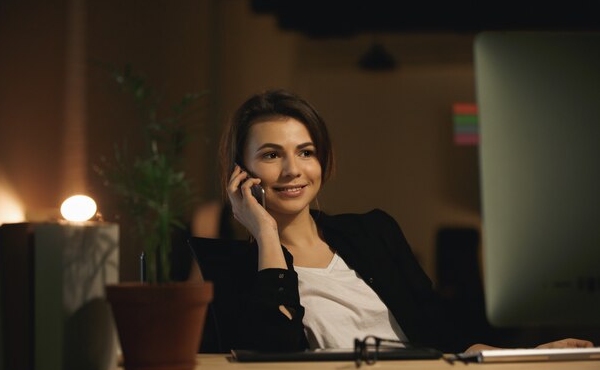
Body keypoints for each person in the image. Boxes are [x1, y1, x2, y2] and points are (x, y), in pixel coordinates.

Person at [218, 89, 593, 353]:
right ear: (241, 171)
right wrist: (266, 234)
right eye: (271, 155)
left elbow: (446, 340)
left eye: (306, 152)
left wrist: (527, 356)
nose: (293, 170)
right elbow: (271, 356)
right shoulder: (236, 269)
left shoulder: (373, 232)